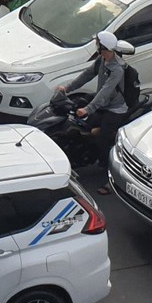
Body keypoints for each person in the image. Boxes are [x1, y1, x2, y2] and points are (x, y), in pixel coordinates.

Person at [59, 32, 132, 192]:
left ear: (103, 47)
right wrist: (68, 88)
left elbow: (104, 92)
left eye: (98, 44)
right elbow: (86, 75)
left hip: (115, 109)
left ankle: (111, 175)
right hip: (103, 105)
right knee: (81, 127)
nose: (96, 46)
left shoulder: (117, 69)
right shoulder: (102, 60)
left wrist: (88, 109)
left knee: (104, 141)